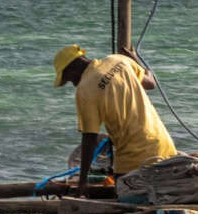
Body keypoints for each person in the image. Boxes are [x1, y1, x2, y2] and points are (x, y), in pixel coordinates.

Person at [52, 44, 176, 195]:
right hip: (163, 145)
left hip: (133, 157)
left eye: (69, 79)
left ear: (72, 69)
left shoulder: (85, 90)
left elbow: (89, 137)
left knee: (120, 197)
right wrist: (136, 61)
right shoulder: (119, 60)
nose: (73, 84)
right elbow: (150, 83)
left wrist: (82, 181)